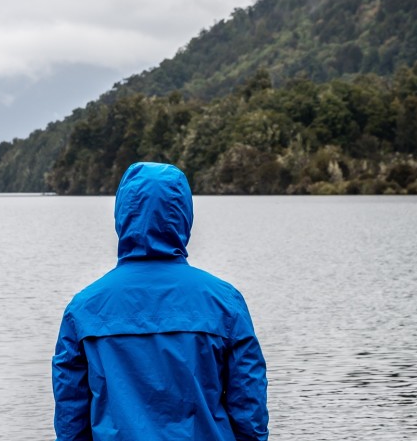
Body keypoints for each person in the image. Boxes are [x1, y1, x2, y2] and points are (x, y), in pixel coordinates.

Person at [52, 162, 269, 441]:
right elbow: (249, 409)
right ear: (184, 215)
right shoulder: (224, 303)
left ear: (122, 215)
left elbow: (70, 420)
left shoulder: (83, 309)